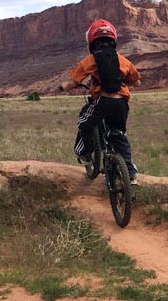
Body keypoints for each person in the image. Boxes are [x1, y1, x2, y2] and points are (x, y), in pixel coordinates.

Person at [59, 18, 141, 184]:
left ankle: (84, 152)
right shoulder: (123, 60)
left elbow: (72, 82)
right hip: (121, 103)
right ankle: (130, 174)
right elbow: (137, 81)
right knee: (119, 134)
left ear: (91, 41)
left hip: (102, 101)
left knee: (84, 122)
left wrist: (62, 87)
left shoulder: (90, 60)